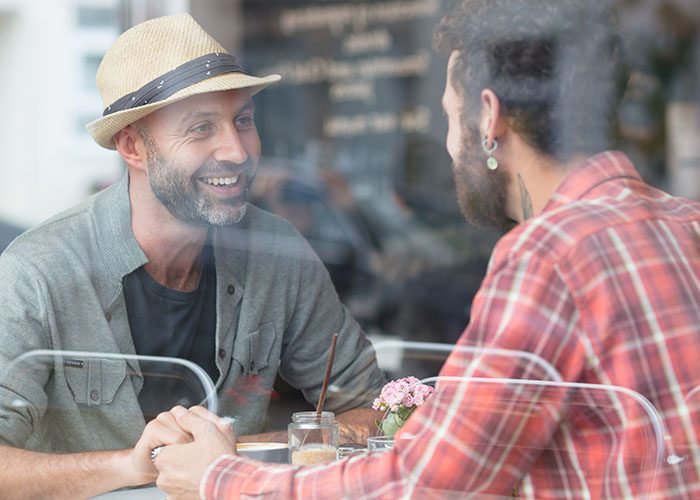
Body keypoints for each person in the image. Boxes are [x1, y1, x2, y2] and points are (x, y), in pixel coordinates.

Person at [151, 1, 700, 498]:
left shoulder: (548, 255)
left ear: (488, 117)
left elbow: (426, 484)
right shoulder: (686, 223)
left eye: (448, 114)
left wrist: (218, 477)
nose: (446, 141)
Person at [0, 13, 385, 498]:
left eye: (243, 120)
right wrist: (131, 465)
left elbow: (379, 408)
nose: (237, 151)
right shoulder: (37, 270)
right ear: (132, 146)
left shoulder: (280, 253)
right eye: (201, 127)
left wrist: (234, 456)